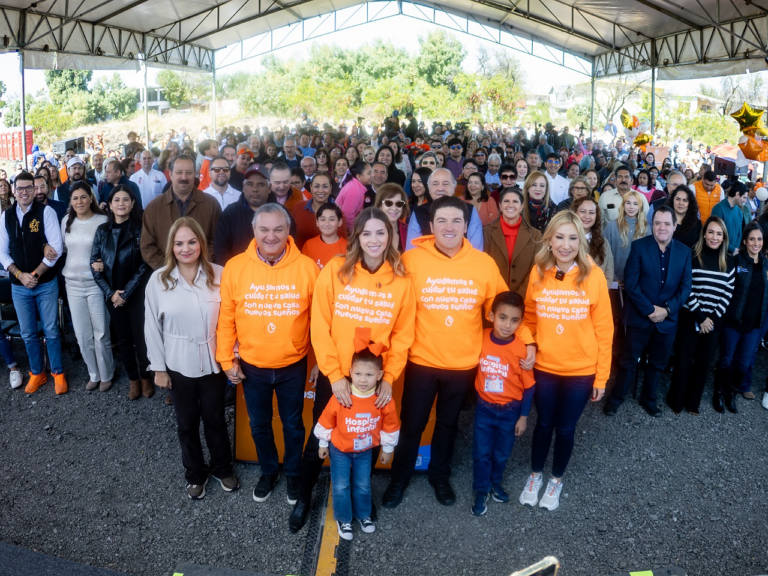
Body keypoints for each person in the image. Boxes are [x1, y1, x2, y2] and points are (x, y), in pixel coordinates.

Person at [383, 196, 534, 509]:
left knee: (448, 426)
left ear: (466, 226)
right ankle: (400, 477)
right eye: (442, 221)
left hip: (463, 364)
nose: (449, 227)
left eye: (456, 221)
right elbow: (386, 302)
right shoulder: (411, 260)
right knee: (413, 425)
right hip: (421, 360)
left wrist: (528, 340)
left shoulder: (482, 264)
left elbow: (506, 308)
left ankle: (440, 475)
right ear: (431, 225)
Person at [289, 207, 415, 531]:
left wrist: (389, 377)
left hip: (373, 382)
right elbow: (320, 325)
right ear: (357, 236)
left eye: (381, 232)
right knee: (321, 436)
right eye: (367, 233)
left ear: (390, 236)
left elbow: (403, 334)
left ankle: (362, 497)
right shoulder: (335, 270)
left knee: (368, 439)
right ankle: (304, 495)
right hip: (338, 378)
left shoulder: (401, 279)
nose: (374, 240)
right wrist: (333, 375)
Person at [217, 203, 318, 505]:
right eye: (264, 229)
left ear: (289, 231)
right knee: (259, 425)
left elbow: (319, 320)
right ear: (254, 231)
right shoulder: (235, 267)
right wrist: (226, 360)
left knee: (293, 424)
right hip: (252, 366)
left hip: (293, 365)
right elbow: (226, 318)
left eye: (278, 229)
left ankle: (294, 473)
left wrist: (318, 362)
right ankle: (268, 471)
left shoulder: (308, 268)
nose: (271, 236)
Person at [519, 210, 612, 511]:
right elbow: (528, 317)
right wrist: (530, 343)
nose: (565, 245)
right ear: (549, 239)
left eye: (573, 238)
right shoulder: (538, 271)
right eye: (559, 237)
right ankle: (535, 475)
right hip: (545, 367)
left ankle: (556, 480)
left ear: (581, 241)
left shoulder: (593, 275)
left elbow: (604, 331)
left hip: (580, 371)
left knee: (566, 428)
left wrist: (601, 378)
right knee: (544, 423)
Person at [145, 218, 237, 500]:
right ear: (171, 246)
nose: (186, 248)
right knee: (186, 424)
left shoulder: (220, 274)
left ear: (201, 243)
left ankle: (222, 469)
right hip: (177, 364)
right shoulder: (159, 280)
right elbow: (151, 326)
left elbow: (232, 320)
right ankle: (195, 474)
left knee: (215, 420)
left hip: (213, 362)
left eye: (192, 241)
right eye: (179, 243)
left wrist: (233, 358)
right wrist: (158, 368)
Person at [604, 206, 692, 417]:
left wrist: (667, 310)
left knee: (657, 363)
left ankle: (649, 399)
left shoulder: (684, 252)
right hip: (640, 317)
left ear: (674, 226)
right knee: (628, 361)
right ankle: (617, 397)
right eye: (658, 223)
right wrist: (650, 310)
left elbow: (685, 287)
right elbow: (631, 284)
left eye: (666, 224)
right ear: (652, 225)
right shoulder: (639, 247)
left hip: (667, 320)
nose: (662, 227)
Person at [314, 333, 401, 540]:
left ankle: (363, 515)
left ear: (380, 375)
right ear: (350, 372)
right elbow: (327, 420)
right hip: (340, 450)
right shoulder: (342, 395)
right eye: (359, 374)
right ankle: (343, 518)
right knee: (341, 485)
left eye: (369, 375)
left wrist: (388, 449)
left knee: (363, 484)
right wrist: (323, 443)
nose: (363, 380)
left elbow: (390, 425)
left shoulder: (384, 399)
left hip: (364, 451)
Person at [0, 172, 66, 394]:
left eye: (29, 187)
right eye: (20, 188)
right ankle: (37, 373)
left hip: (45, 283)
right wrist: (20, 275)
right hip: (19, 287)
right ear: (14, 190)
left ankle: (57, 372)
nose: (25, 192)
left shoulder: (45, 212)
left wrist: (35, 275)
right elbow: (2, 253)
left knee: (51, 330)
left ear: (34, 189)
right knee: (28, 333)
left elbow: (55, 248)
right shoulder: (6, 216)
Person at [471, 291, 534, 516]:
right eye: (503, 318)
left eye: (514, 320)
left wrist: (523, 416)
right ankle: (481, 489)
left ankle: (495, 482)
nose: (507, 325)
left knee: (501, 453)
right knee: (481, 452)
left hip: (510, 411)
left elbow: (529, 385)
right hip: (484, 408)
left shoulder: (522, 349)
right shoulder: (480, 337)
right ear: (491, 315)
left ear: (521, 322)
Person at [667, 216, 734, 415]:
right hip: (691, 318)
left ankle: (693, 403)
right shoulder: (692, 256)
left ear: (724, 237)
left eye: (719, 234)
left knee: (703, 364)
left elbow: (728, 292)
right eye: (711, 232)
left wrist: (711, 319)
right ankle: (676, 400)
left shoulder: (729, 261)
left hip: (714, 322)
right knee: (684, 360)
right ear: (704, 234)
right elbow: (687, 288)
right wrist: (700, 317)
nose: (714, 237)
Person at [91, 185, 152, 400]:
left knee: (141, 339)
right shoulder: (102, 231)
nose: (121, 204)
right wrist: (111, 293)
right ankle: (133, 379)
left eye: (126, 199)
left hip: (136, 294)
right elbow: (94, 265)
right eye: (117, 200)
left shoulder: (140, 229)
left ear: (133, 203)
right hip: (112, 297)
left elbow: (146, 264)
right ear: (110, 204)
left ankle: (146, 377)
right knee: (124, 340)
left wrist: (126, 292)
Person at [61, 182, 113, 391]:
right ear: (71, 202)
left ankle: (107, 373)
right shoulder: (66, 221)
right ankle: (93, 373)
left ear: (91, 198)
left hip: (96, 285)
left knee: (101, 332)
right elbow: (62, 249)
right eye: (75, 198)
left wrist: (104, 265)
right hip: (73, 284)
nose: (79, 201)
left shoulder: (102, 220)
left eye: (83, 197)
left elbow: (111, 251)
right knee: (82, 334)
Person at [715, 222, 768, 412]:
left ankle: (732, 394)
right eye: (752, 239)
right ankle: (719, 393)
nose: (756, 243)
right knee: (726, 360)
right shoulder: (736, 261)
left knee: (744, 363)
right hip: (733, 322)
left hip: (754, 326)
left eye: (759, 239)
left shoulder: (766, 264)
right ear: (745, 241)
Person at [141, 155, 221, 270]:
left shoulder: (211, 204)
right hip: (167, 277)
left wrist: (198, 266)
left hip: (202, 274)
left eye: (188, 172)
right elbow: (147, 246)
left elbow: (217, 240)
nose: (184, 177)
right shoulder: (154, 207)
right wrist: (170, 269)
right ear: (170, 174)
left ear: (195, 174)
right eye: (179, 172)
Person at [406, 168, 483, 251]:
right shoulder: (418, 213)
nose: (440, 188)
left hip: (462, 262)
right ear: (429, 187)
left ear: (454, 186)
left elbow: (476, 250)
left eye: (445, 184)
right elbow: (411, 250)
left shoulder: (469, 210)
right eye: (435, 184)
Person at [483, 187, 541, 297]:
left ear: (521, 206)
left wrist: (520, 295)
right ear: (500, 205)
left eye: (515, 201)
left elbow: (536, 269)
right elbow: (483, 267)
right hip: (493, 295)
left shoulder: (535, 235)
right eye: (506, 201)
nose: (510, 205)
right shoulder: (486, 232)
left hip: (524, 298)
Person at [604, 191, 649, 287]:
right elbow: (604, 255)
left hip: (639, 284)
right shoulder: (612, 226)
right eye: (628, 203)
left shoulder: (647, 228)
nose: (631, 207)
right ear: (623, 205)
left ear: (640, 207)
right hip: (615, 281)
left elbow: (649, 259)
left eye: (635, 204)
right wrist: (614, 279)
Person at [571, 197, 614, 287]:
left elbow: (609, 275)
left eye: (591, 212)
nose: (587, 216)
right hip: (569, 297)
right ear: (574, 213)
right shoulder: (565, 241)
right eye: (583, 211)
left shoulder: (603, 243)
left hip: (596, 297)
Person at [301, 203, 347, 269]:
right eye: (322, 219)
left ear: (339, 222)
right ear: (317, 222)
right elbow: (303, 270)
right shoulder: (309, 245)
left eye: (331, 219)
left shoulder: (348, 247)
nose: (327, 223)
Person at [711, 181, 748, 253]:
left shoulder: (739, 211)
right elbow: (715, 234)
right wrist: (732, 249)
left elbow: (739, 233)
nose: (745, 201)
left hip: (733, 253)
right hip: (719, 252)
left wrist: (735, 249)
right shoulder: (718, 209)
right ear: (737, 194)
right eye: (744, 197)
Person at [336, 162, 372, 233]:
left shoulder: (355, 186)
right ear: (358, 176)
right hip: (343, 231)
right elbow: (347, 216)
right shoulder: (353, 190)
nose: (372, 176)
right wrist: (356, 234)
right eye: (369, 173)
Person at [374, 184, 409, 251]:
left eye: (399, 204)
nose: (394, 208)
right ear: (379, 205)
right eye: (388, 203)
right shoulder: (370, 232)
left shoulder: (408, 231)